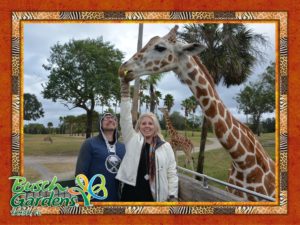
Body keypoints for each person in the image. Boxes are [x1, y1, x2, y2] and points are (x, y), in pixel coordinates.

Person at [116, 79, 178, 202]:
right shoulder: (132, 140)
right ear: (139, 126)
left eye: (150, 123)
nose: (147, 126)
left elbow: (171, 172)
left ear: (155, 126)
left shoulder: (165, 146)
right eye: (143, 123)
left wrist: (172, 195)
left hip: (154, 195)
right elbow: (125, 119)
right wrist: (125, 93)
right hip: (131, 193)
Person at [75, 113, 126, 201]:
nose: (110, 120)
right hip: (94, 200)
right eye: (106, 118)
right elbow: (80, 173)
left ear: (117, 124)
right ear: (100, 124)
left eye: (113, 118)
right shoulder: (89, 144)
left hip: (116, 200)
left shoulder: (123, 147)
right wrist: (82, 198)